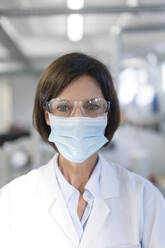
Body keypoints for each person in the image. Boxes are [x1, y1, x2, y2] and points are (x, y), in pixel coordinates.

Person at [0, 53, 165, 248]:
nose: (78, 119)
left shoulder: (144, 198)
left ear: (107, 114)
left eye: (92, 106)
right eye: (63, 107)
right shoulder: (12, 199)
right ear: (47, 116)